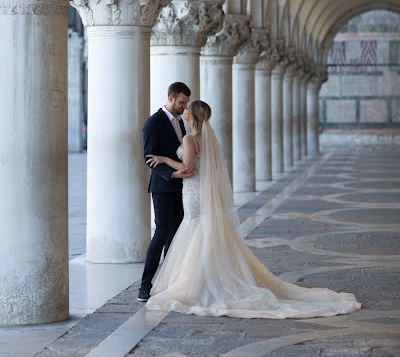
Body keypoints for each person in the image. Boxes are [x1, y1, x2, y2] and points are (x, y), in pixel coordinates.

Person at [145, 100, 361, 318]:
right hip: (199, 192)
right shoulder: (208, 139)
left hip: (193, 193)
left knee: (196, 230)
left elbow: (188, 169)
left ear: (193, 115)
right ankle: (205, 278)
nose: (186, 110)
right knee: (201, 232)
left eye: (189, 108)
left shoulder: (189, 139)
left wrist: (165, 160)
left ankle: (198, 283)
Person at [137, 82, 193, 302]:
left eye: (186, 103)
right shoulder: (153, 123)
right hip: (163, 187)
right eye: (181, 102)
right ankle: (145, 285)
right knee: (161, 233)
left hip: (183, 187)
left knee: (176, 235)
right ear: (170, 98)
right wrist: (173, 175)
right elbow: (149, 159)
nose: (184, 106)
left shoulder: (181, 122)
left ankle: (169, 282)